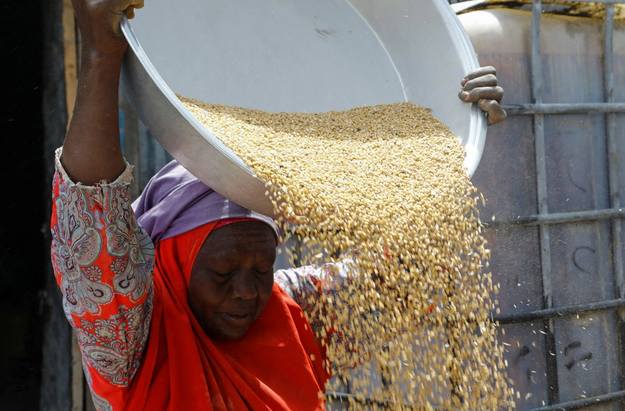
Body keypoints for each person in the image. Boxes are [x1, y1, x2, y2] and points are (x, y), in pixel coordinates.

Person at [50, 0, 507, 410]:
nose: (247, 292)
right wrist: (100, 57)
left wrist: (452, 130)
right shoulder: (136, 336)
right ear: (172, 261)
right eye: (223, 273)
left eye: (262, 269)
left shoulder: (294, 313)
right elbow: (92, 221)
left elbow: (418, 270)